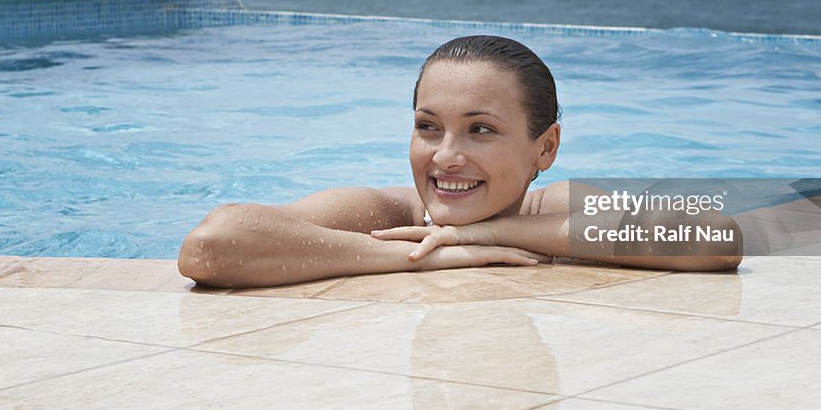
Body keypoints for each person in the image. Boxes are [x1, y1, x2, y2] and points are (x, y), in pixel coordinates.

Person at [178, 35, 742, 288]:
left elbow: (716, 238)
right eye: (428, 127)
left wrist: (499, 230)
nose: (446, 156)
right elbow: (212, 245)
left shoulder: (553, 209)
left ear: (544, 148)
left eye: (481, 130)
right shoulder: (378, 213)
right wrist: (421, 260)